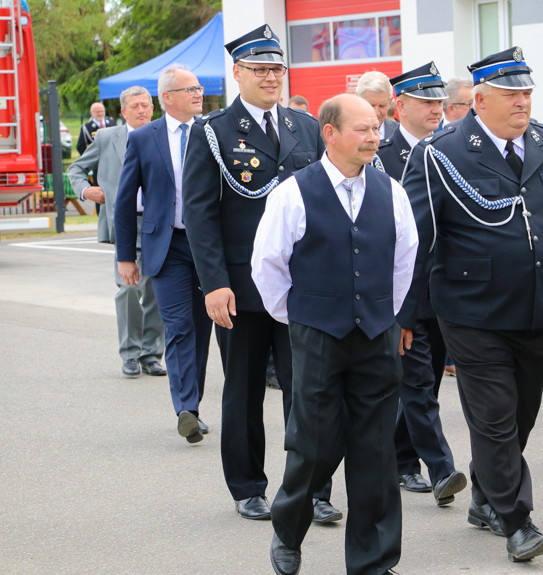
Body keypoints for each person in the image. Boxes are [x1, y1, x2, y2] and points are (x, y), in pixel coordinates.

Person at [400, 46, 543, 563]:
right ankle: (517, 521)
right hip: (471, 310)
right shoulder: (442, 152)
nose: (522, 101)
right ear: (479, 99)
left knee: (521, 412)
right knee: (495, 416)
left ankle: (485, 495)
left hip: (540, 309)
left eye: (526, 91)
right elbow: (416, 238)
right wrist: (405, 314)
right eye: (510, 93)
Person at [253, 93, 419, 575]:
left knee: (375, 450)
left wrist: (379, 314)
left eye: (377, 128)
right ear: (330, 133)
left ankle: (374, 561)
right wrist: (303, 317)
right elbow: (268, 266)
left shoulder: (392, 192)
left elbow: (403, 263)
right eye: (363, 129)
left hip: (376, 336)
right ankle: (288, 530)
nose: (375, 138)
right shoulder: (292, 193)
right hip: (317, 335)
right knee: (314, 444)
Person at [182, 24, 337, 523]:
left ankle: (312, 487)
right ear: (238, 72)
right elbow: (201, 214)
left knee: (308, 391)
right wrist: (214, 282)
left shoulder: (305, 126)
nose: (271, 77)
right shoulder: (214, 131)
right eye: (260, 69)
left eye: (277, 68)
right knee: (245, 390)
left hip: (302, 286)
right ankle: (248, 485)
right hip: (242, 289)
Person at [378, 62, 467, 503]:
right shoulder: (379, 153)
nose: (437, 108)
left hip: (443, 286)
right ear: (401, 106)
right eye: (426, 101)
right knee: (415, 381)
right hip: (399, 287)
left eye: (439, 100)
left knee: (428, 380)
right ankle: (441, 468)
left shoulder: (453, 148)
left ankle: (399, 457)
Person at [114, 64, 212, 445]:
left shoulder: (212, 132)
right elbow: (124, 202)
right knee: (179, 327)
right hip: (166, 247)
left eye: (199, 88)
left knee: (203, 329)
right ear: (167, 97)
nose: (198, 94)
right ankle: (185, 408)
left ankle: (195, 405)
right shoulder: (144, 138)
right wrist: (126, 255)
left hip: (207, 248)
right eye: (190, 89)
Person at [68, 86, 165, 379]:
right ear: (123, 112)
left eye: (146, 105)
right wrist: (85, 190)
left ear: (153, 108)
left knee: (154, 291)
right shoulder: (107, 138)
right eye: (134, 106)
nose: (141, 111)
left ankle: (151, 354)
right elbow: (76, 168)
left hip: (158, 225)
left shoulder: (164, 136)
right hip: (124, 224)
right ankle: (130, 353)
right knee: (128, 288)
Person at [355, 70, 398, 139]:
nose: (376, 113)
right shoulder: (344, 134)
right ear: (358, 101)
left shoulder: (401, 134)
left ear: (390, 103)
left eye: (382, 106)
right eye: (371, 105)